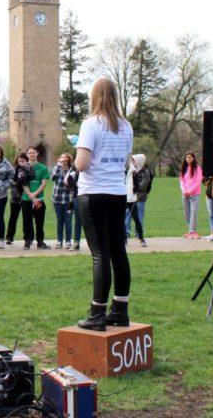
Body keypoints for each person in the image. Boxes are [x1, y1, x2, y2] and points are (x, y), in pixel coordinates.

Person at [75, 77, 134, 331]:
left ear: (94, 97)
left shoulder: (91, 124)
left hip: (93, 192)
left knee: (99, 254)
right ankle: (120, 309)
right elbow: (125, 162)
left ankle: (97, 313)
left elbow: (81, 164)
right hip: (117, 193)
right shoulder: (126, 126)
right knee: (118, 251)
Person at [21, 146, 50, 250]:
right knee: (27, 222)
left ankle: (40, 242)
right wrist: (30, 195)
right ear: (27, 155)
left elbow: (44, 183)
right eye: (29, 153)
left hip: (39, 199)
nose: (32, 154)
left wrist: (35, 194)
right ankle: (27, 242)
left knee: (39, 222)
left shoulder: (43, 168)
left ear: (37, 154)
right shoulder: (23, 168)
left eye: (33, 152)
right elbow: (24, 184)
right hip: (26, 199)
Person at [52, 153, 75, 249]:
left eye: (66, 158)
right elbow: (52, 178)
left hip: (69, 199)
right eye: (62, 157)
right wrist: (58, 166)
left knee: (68, 221)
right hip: (57, 199)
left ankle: (68, 241)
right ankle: (59, 241)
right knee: (60, 220)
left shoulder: (72, 169)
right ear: (59, 159)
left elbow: (73, 182)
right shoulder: (56, 168)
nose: (64, 159)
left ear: (69, 159)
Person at [7, 153, 32, 245]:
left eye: (23, 160)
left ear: (26, 161)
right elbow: (10, 179)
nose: (21, 162)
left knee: (27, 218)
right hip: (15, 196)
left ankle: (29, 237)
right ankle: (9, 237)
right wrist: (14, 182)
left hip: (26, 196)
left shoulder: (29, 169)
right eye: (19, 160)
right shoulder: (14, 169)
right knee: (13, 217)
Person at [179, 152, 203, 239]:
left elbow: (198, 182)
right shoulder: (184, 168)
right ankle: (190, 230)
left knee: (193, 212)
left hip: (194, 194)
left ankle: (192, 231)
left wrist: (190, 191)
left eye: (190, 157)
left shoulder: (197, 168)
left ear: (193, 158)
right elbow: (182, 181)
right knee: (187, 213)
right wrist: (184, 190)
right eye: (187, 158)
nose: (188, 159)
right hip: (185, 194)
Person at [130, 154, 151, 247]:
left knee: (137, 218)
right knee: (125, 217)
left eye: (134, 160)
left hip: (137, 198)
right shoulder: (130, 170)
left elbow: (142, 185)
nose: (132, 162)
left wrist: (133, 189)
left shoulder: (145, 172)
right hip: (128, 197)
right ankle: (125, 236)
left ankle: (140, 237)